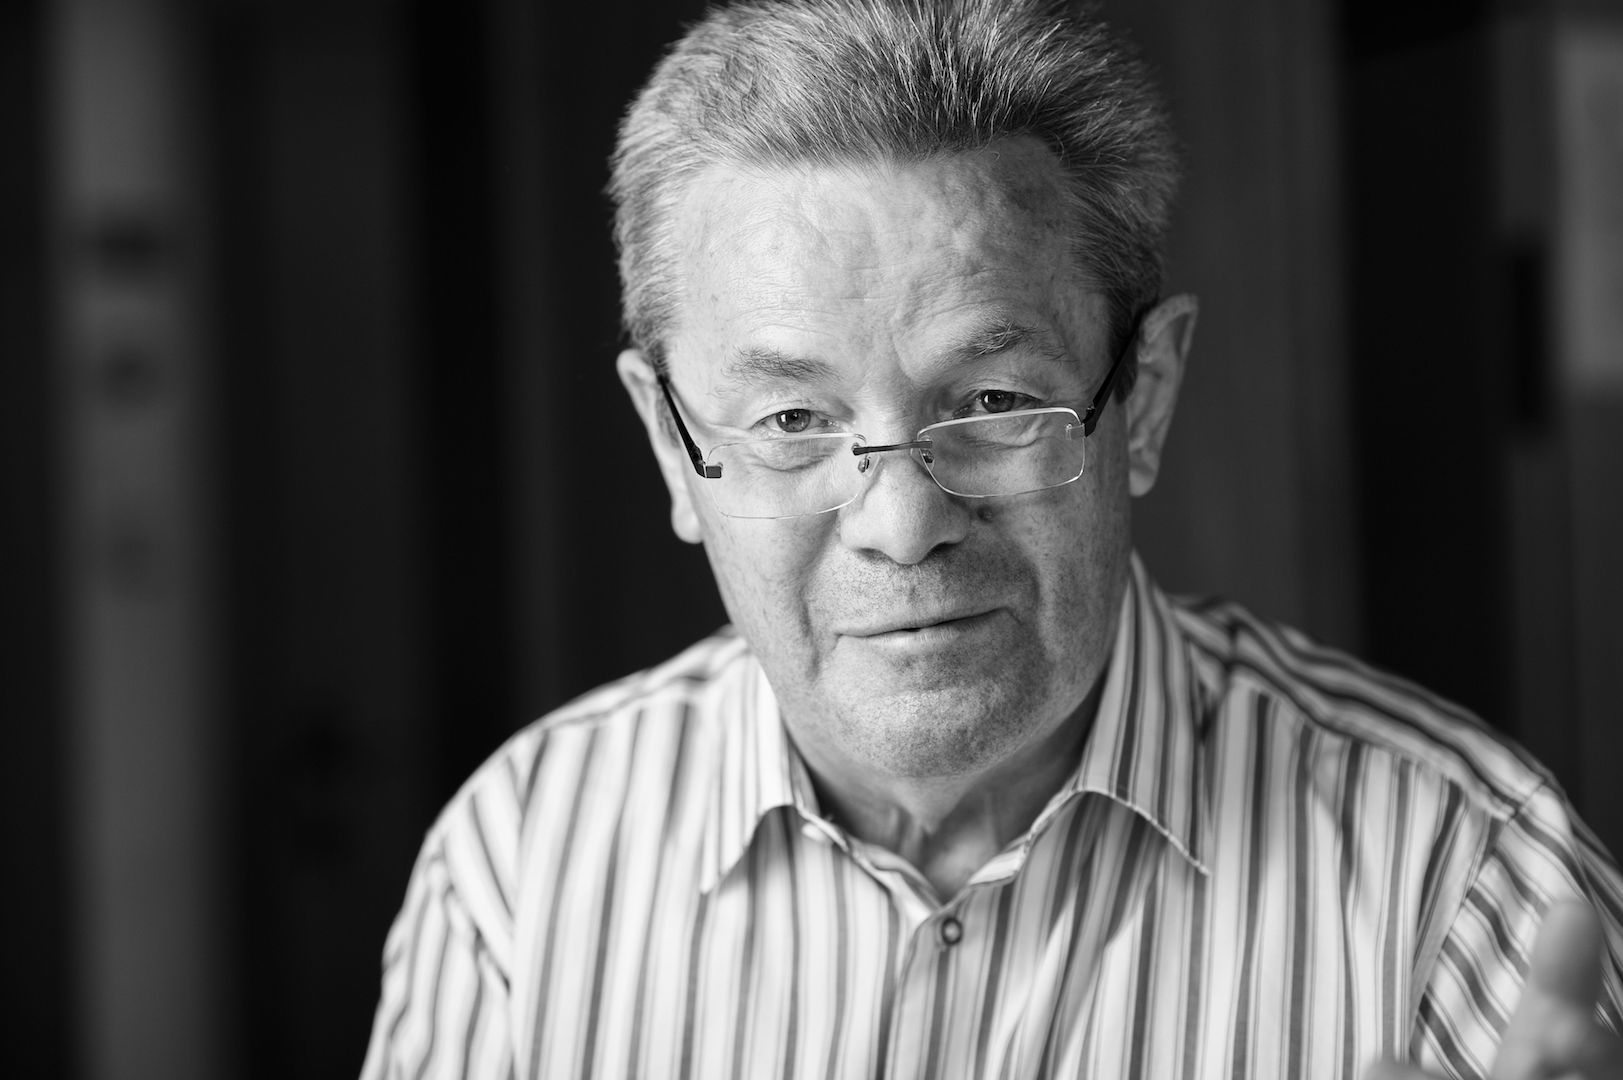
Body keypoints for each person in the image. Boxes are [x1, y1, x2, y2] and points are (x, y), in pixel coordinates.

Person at [360, 1, 1623, 1077]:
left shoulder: (1467, 879)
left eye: (994, 401)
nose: (903, 526)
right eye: (793, 420)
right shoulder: (520, 865)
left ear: (1147, 398)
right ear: (668, 442)